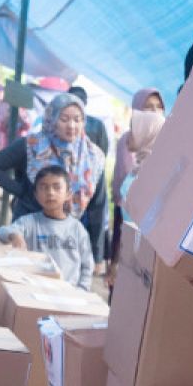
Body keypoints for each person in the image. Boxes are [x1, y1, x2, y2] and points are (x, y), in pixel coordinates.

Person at [0, 93, 106, 222]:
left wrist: (95, 241)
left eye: (77, 120)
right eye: (64, 119)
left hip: (68, 234)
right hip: (29, 229)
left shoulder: (93, 156)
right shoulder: (32, 145)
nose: (71, 126)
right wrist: (21, 191)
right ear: (51, 119)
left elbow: (97, 206)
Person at [0, 165, 94, 291]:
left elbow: (87, 265)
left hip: (69, 293)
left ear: (68, 194)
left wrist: (82, 290)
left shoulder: (77, 229)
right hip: (35, 291)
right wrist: (14, 235)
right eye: (44, 187)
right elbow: (2, 231)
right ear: (36, 195)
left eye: (57, 187)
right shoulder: (28, 222)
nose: (50, 192)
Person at [109, 88, 166, 271]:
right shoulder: (136, 163)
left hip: (150, 254)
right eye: (148, 108)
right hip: (133, 248)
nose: (154, 113)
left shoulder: (161, 163)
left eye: (159, 107)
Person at [68, 86, 112, 274]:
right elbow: (103, 153)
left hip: (81, 198)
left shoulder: (93, 127)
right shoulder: (97, 125)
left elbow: (101, 155)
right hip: (84, 198)